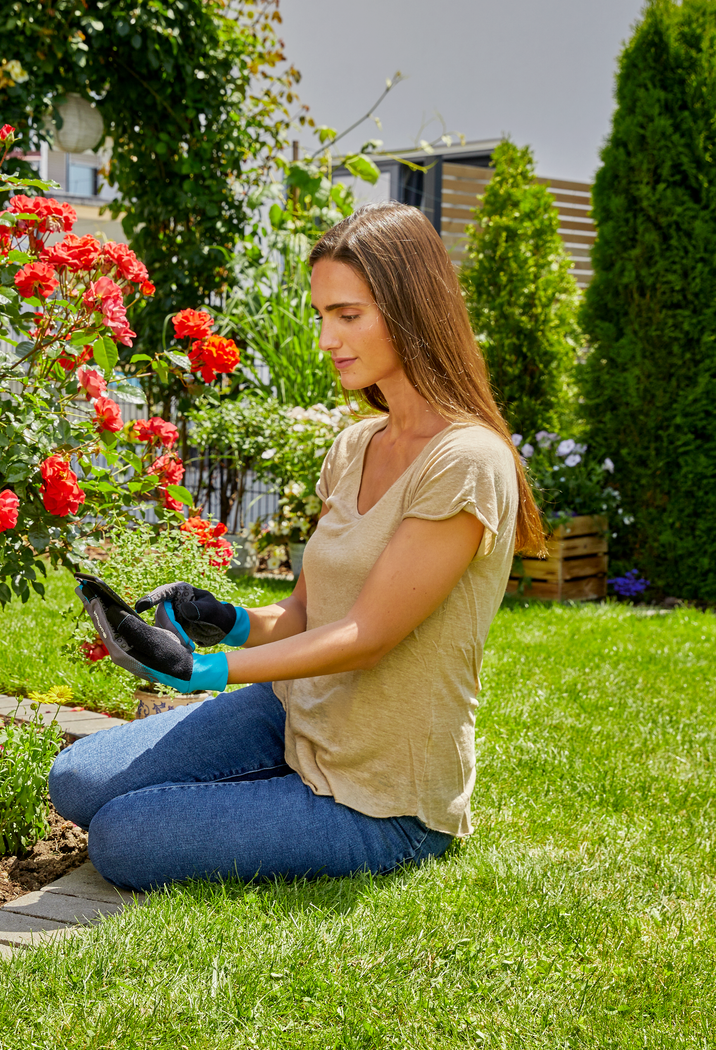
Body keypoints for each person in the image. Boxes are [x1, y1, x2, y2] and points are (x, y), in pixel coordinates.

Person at [50, 202, 546, 891]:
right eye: (321, 316)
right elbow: (310, 611)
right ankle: (267, 780)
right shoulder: (354, 447)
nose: (325, 339)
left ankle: (343, 816)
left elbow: (365, 635)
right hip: (293, 716)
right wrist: (226, 619)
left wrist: (209, 671)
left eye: (347, 315)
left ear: (410, 309)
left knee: (121, 837)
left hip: (379, 795)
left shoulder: (465, 461)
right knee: (76, 780)